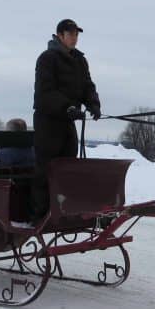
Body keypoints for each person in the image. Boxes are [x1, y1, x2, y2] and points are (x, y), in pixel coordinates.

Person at [31, 19, 102, 218]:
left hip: (67, 121)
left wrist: (93, 103)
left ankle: (63, 210)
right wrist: (67, 107)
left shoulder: (80, 60)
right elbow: (44, 93)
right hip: (48, 121)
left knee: (69, 166)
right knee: (46, 168)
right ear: (60, 35)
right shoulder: (47, 58)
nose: (75, 38)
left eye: (77, 35)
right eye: (71, 34)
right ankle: (39, 214)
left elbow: (88, 85)